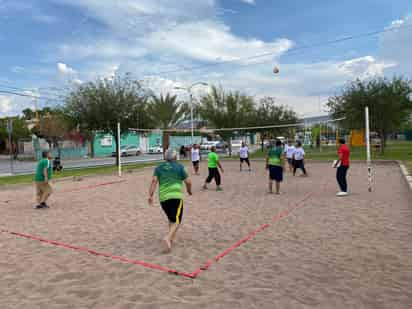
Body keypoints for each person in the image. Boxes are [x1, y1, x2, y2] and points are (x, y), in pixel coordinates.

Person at [148, 149, 192, 252]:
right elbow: (188, 181)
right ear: (175, 157)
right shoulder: (180, 167)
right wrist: (189, 191)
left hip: (163, 198)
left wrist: (150, 195)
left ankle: (171, 239)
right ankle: (168, 237)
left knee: (171, 218)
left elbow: (154, 181)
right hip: (175, 196)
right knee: (177, 220)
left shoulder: (158, 168)